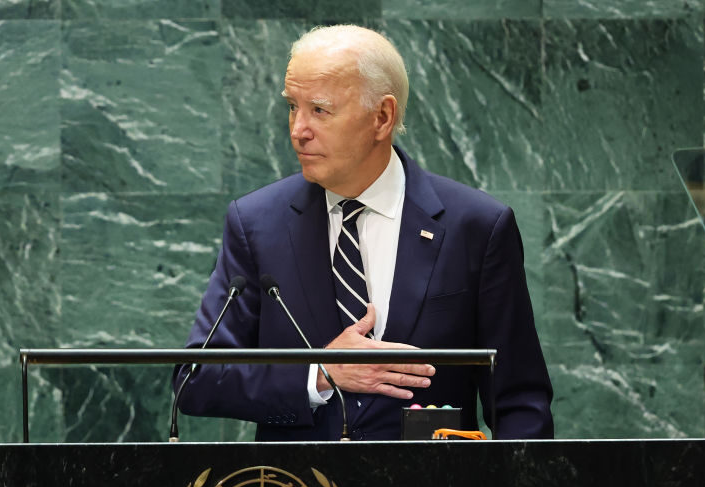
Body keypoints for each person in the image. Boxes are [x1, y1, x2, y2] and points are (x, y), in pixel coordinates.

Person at [175, 24, 553, 441]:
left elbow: (521, 404)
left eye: (319, 110)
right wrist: (320, 372)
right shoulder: (256, 223)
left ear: (382, 117)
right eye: (292, 107)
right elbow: (197, 377)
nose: (298, 129)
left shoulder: (476, 226)